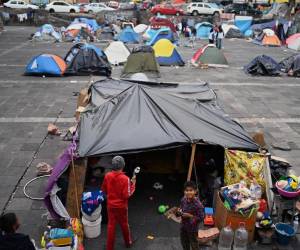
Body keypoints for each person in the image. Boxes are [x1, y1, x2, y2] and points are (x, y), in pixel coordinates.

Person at [101, 156, 136, 250]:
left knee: (111, 225)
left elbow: (104, 189)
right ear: (123, 165)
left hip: (110, 206)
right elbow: (127, 195)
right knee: (124, 224)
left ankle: (109, 247)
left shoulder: (107, 175)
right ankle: (128, 243)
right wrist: (133, 184)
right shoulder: (126, 179)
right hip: (122, 207)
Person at [177, 181, 204, 250]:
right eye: (186, 190)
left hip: (192, 229)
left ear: (195, 191)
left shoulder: (198, 205)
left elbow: (201, 218)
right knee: (184, 242)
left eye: (191, 190)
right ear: (184, 191)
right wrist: (179, 211)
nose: (188, 192)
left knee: (194, 244)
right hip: (183, 226)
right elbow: (181, 207)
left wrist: (190, 216)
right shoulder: (183, 199)